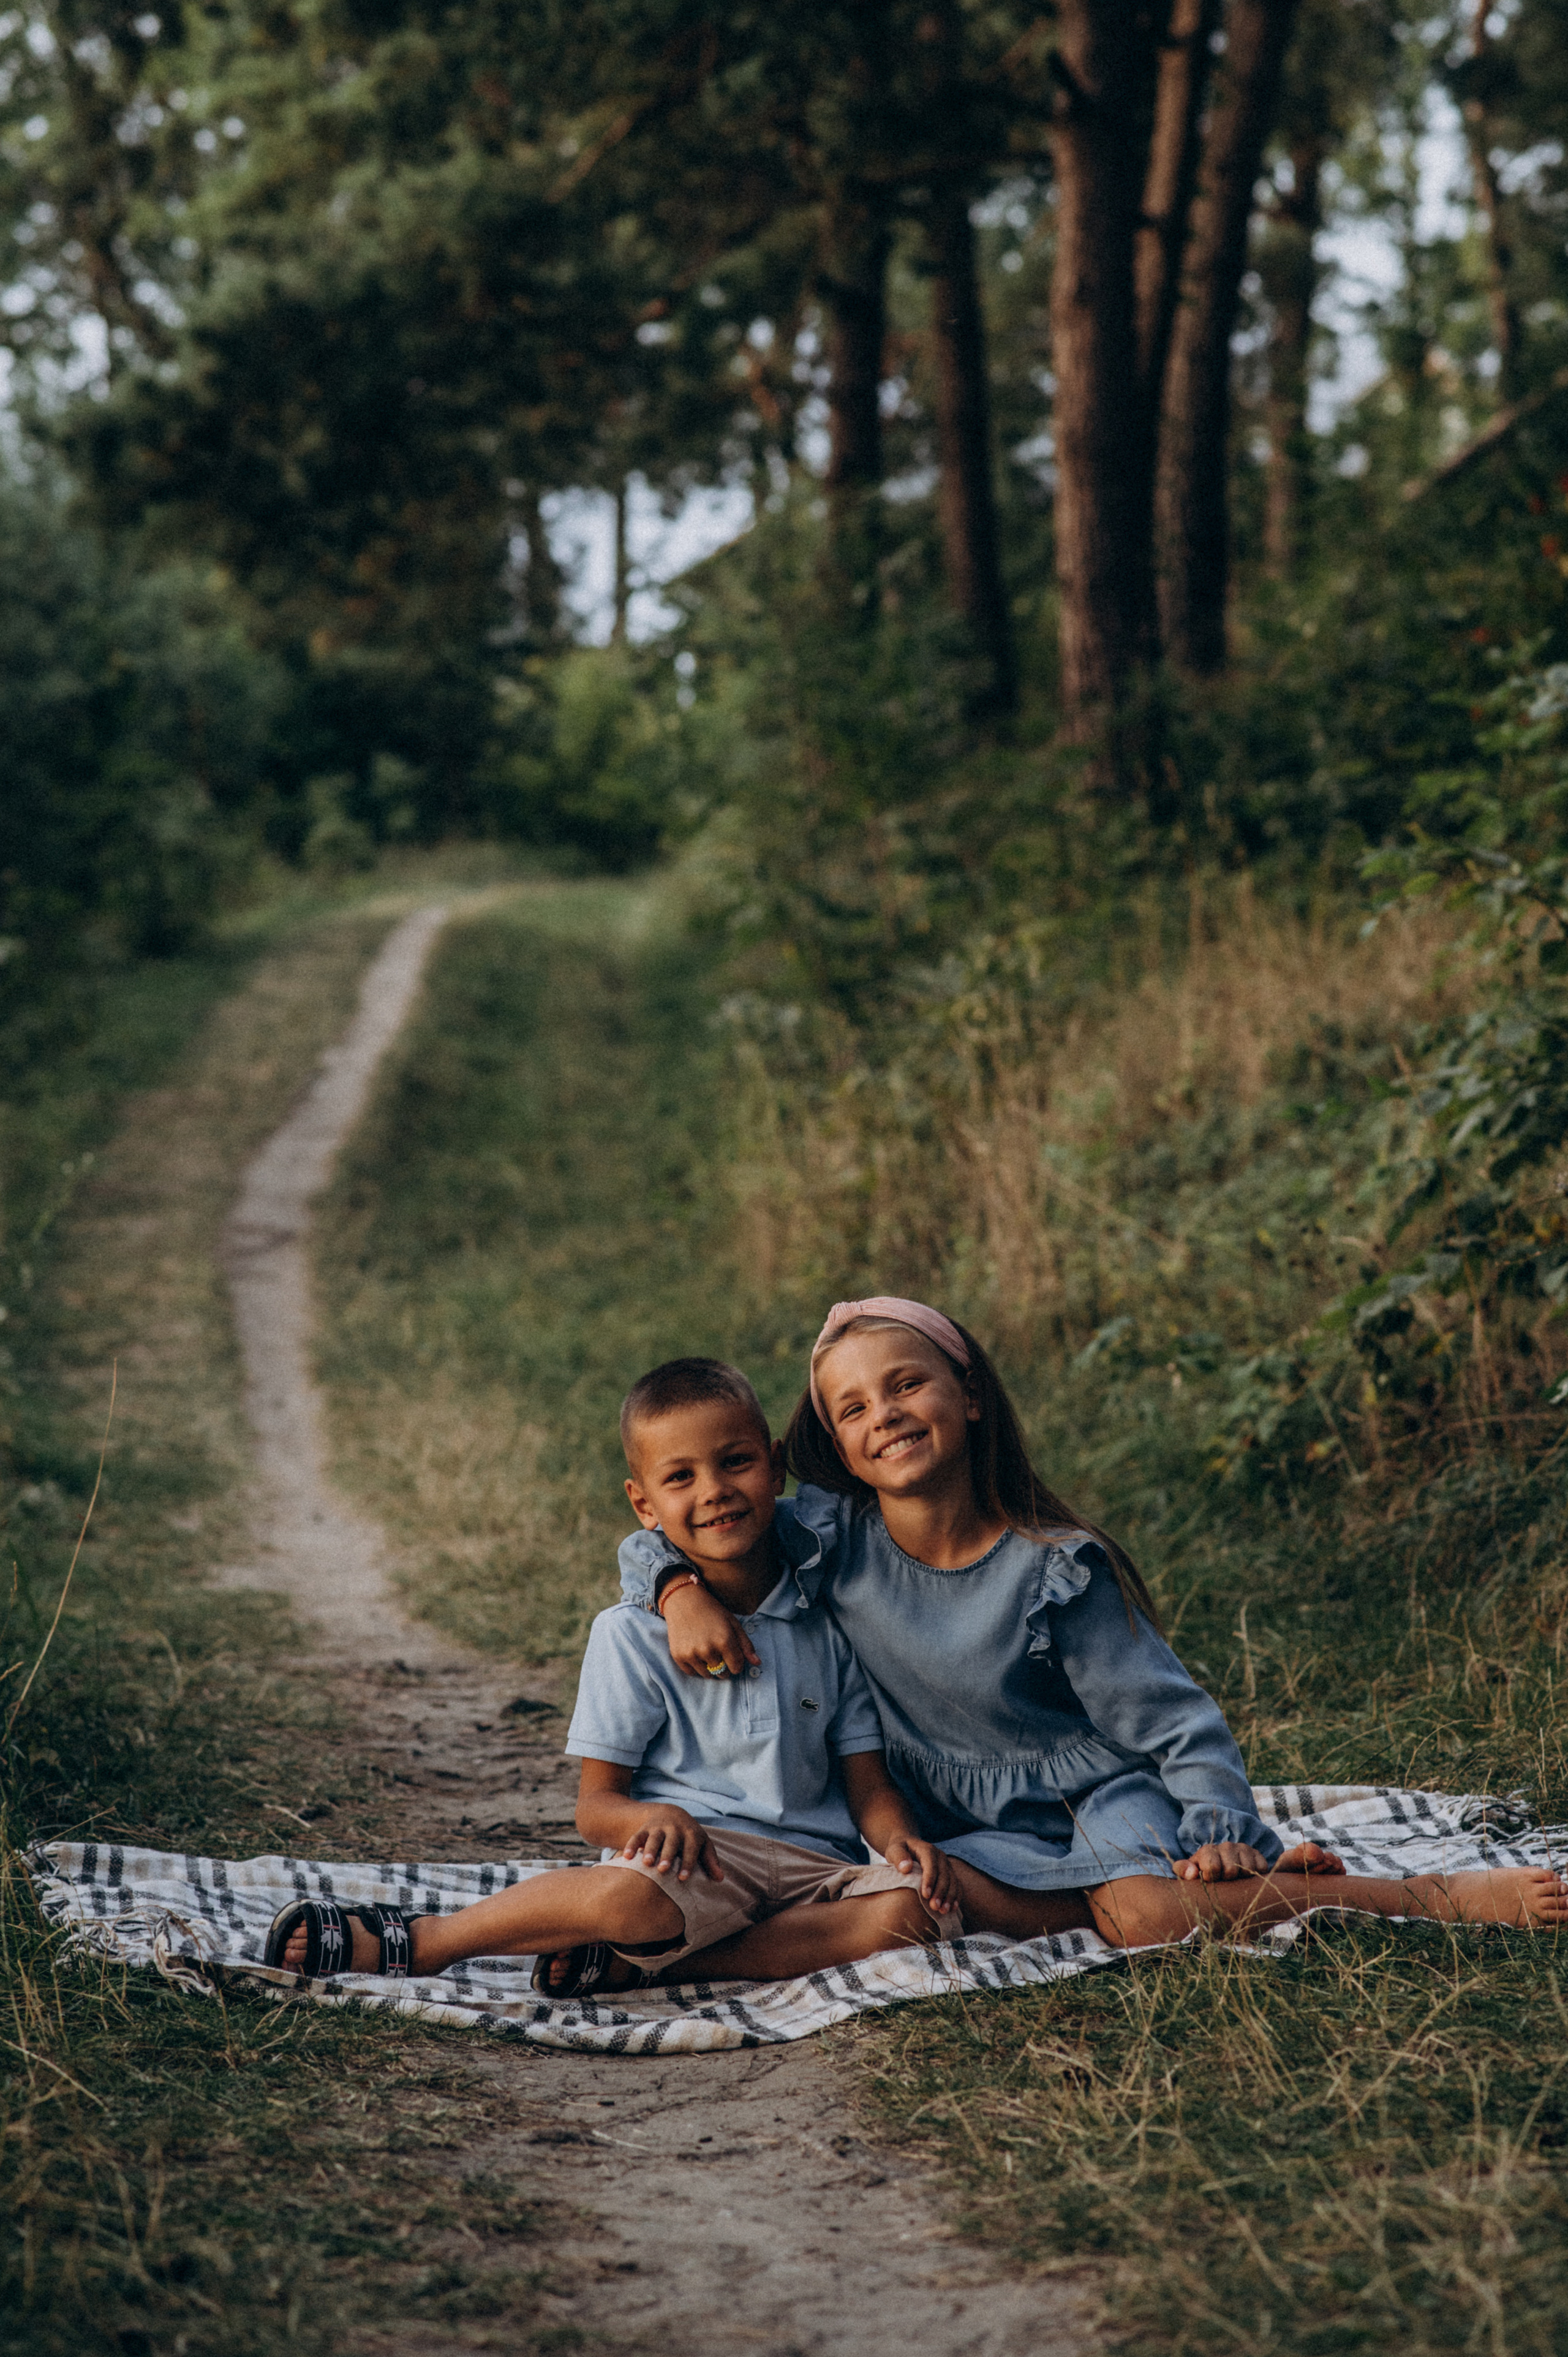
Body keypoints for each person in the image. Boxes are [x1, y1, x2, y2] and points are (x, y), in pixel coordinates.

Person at [622, 1297, 1568, 1943]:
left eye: (907, 1384)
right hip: (946, 1816)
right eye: (855, 1406)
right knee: (916, 1893)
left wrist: (1219, 1816)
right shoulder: (831, 1537)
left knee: (1145, 1917)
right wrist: (678, 1591)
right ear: (832, 1445)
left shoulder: (1052, 1570)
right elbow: (696, 1530)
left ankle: (1420, 1893)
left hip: (1092, 1791)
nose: (888, 1414)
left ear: (971, 1395)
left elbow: (1172, 1718)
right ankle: (1250, 1893)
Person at [266, 1355, 963, 1993]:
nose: (716, 1491)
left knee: (911, 1913)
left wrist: (898, 1841)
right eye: (681, 1477)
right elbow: (595, 1807)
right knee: (626, 1898)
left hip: (817, 1865)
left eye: (736, 1462)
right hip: (698, 1859)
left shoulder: (825, 1619)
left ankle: (653, 1962)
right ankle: (425, 1941)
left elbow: (866, 1783)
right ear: (644, 1504)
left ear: (775, 1467)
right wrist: (649, 1818)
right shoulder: (631, 1634)